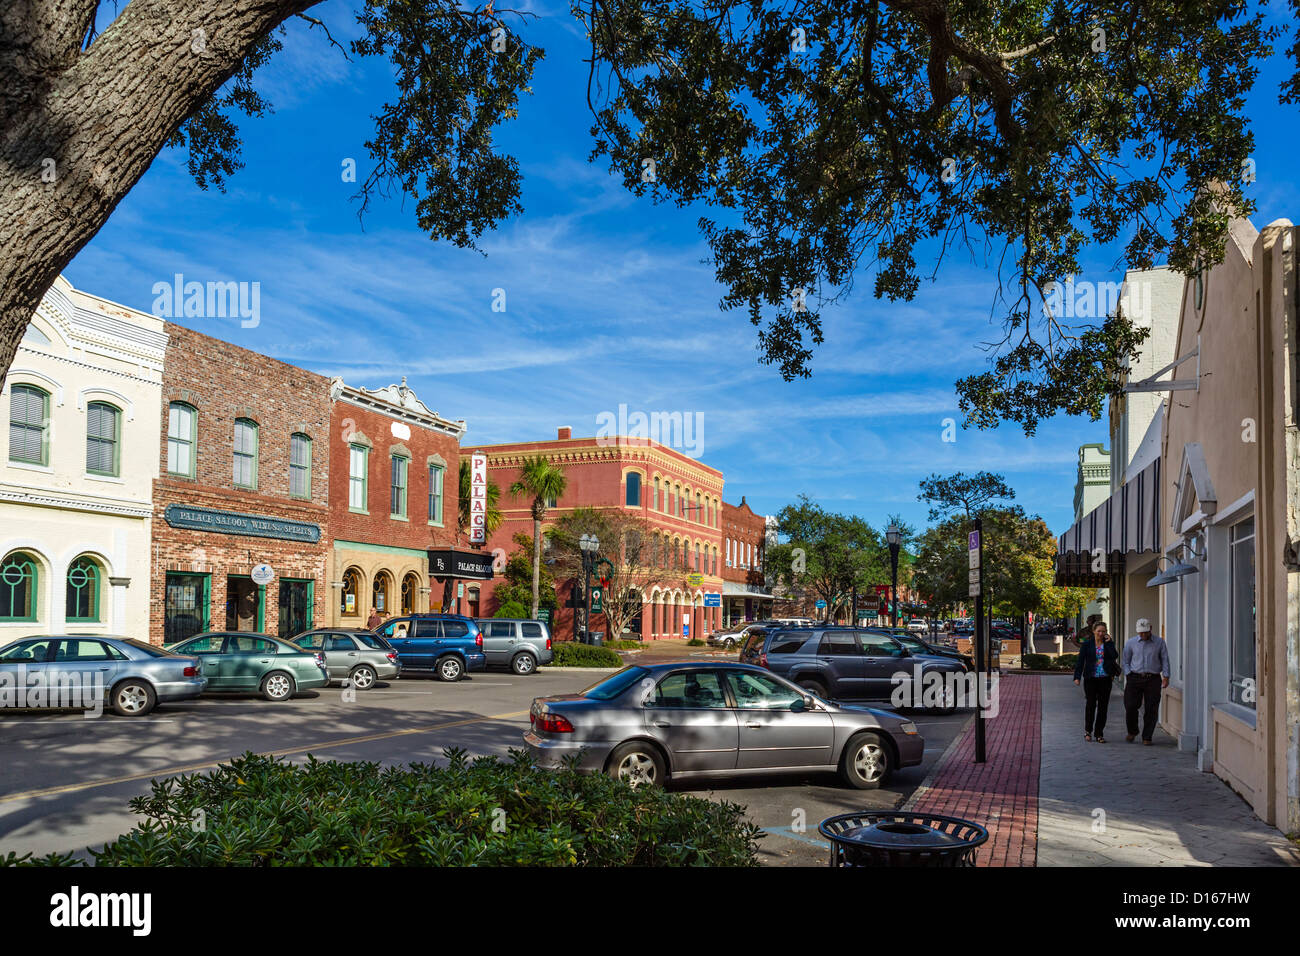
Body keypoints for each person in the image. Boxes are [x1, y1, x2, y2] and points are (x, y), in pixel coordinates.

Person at [1121, 618, 1170, 745]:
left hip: (1153, 678)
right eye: (1140, 633)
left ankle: (1147, 736)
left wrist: (1166, 676)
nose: (1143, 635)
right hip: (1134, 677)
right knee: (1130, 706)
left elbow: (1165, 659)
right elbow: (1125, 660)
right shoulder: (1130, 643)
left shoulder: (1159, 642)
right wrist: (1128, 674)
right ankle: (1132, 731)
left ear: (1151, 629)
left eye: (1145, 632)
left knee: (1151, 708)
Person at [1073, 621, 1120, 742]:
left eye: (1103, 631)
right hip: (1091, 679)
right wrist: (1077, 677)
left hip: (1105, 679)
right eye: (1098, 631)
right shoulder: (1087, 644)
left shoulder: (1108, 643)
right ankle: (1088, 731)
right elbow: (1081, 661)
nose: (1101, 633)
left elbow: (1114, 655)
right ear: (1093, 631)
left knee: (1103, 707)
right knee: (1091, 705)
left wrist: (1109, 643)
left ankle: (1099, 733)